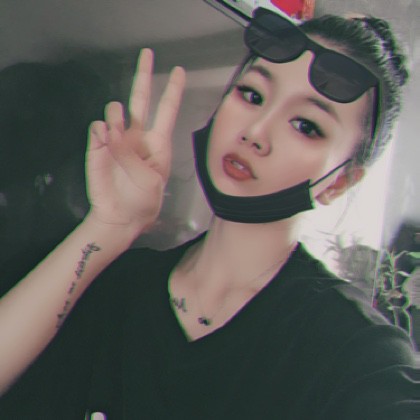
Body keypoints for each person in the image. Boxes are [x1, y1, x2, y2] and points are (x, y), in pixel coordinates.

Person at [0, 8, 418, 419]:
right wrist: (110, 225)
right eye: (251, 95)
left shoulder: (352, 347)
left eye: (306, 126)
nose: (254, 132)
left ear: (340, 183)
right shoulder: (115, 284)